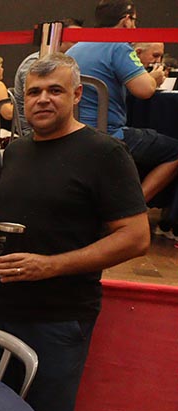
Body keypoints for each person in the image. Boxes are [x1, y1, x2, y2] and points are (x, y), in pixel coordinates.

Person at [0, 53, 149, 411]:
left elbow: (135, 237)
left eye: (54, 90)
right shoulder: (16, 151)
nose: (43, 99)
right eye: (34, 91)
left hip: (57, 317)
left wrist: (50, 266)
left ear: (76, 95)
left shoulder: (104, 154)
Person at [67, 0, 178, 238]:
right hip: (109, 134)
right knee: (175, 151)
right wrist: (156, 77)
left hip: (74, 132)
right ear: (126, 20)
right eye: (135, 21)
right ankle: (129, 212)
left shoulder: (75, 49)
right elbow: (145, 90)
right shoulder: (118, 46)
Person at [13, 18, 83, 136]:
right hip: (31, 132)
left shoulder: (70, 65)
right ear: (59, 38)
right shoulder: (34, 62)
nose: (79, 44)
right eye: (74, 39)